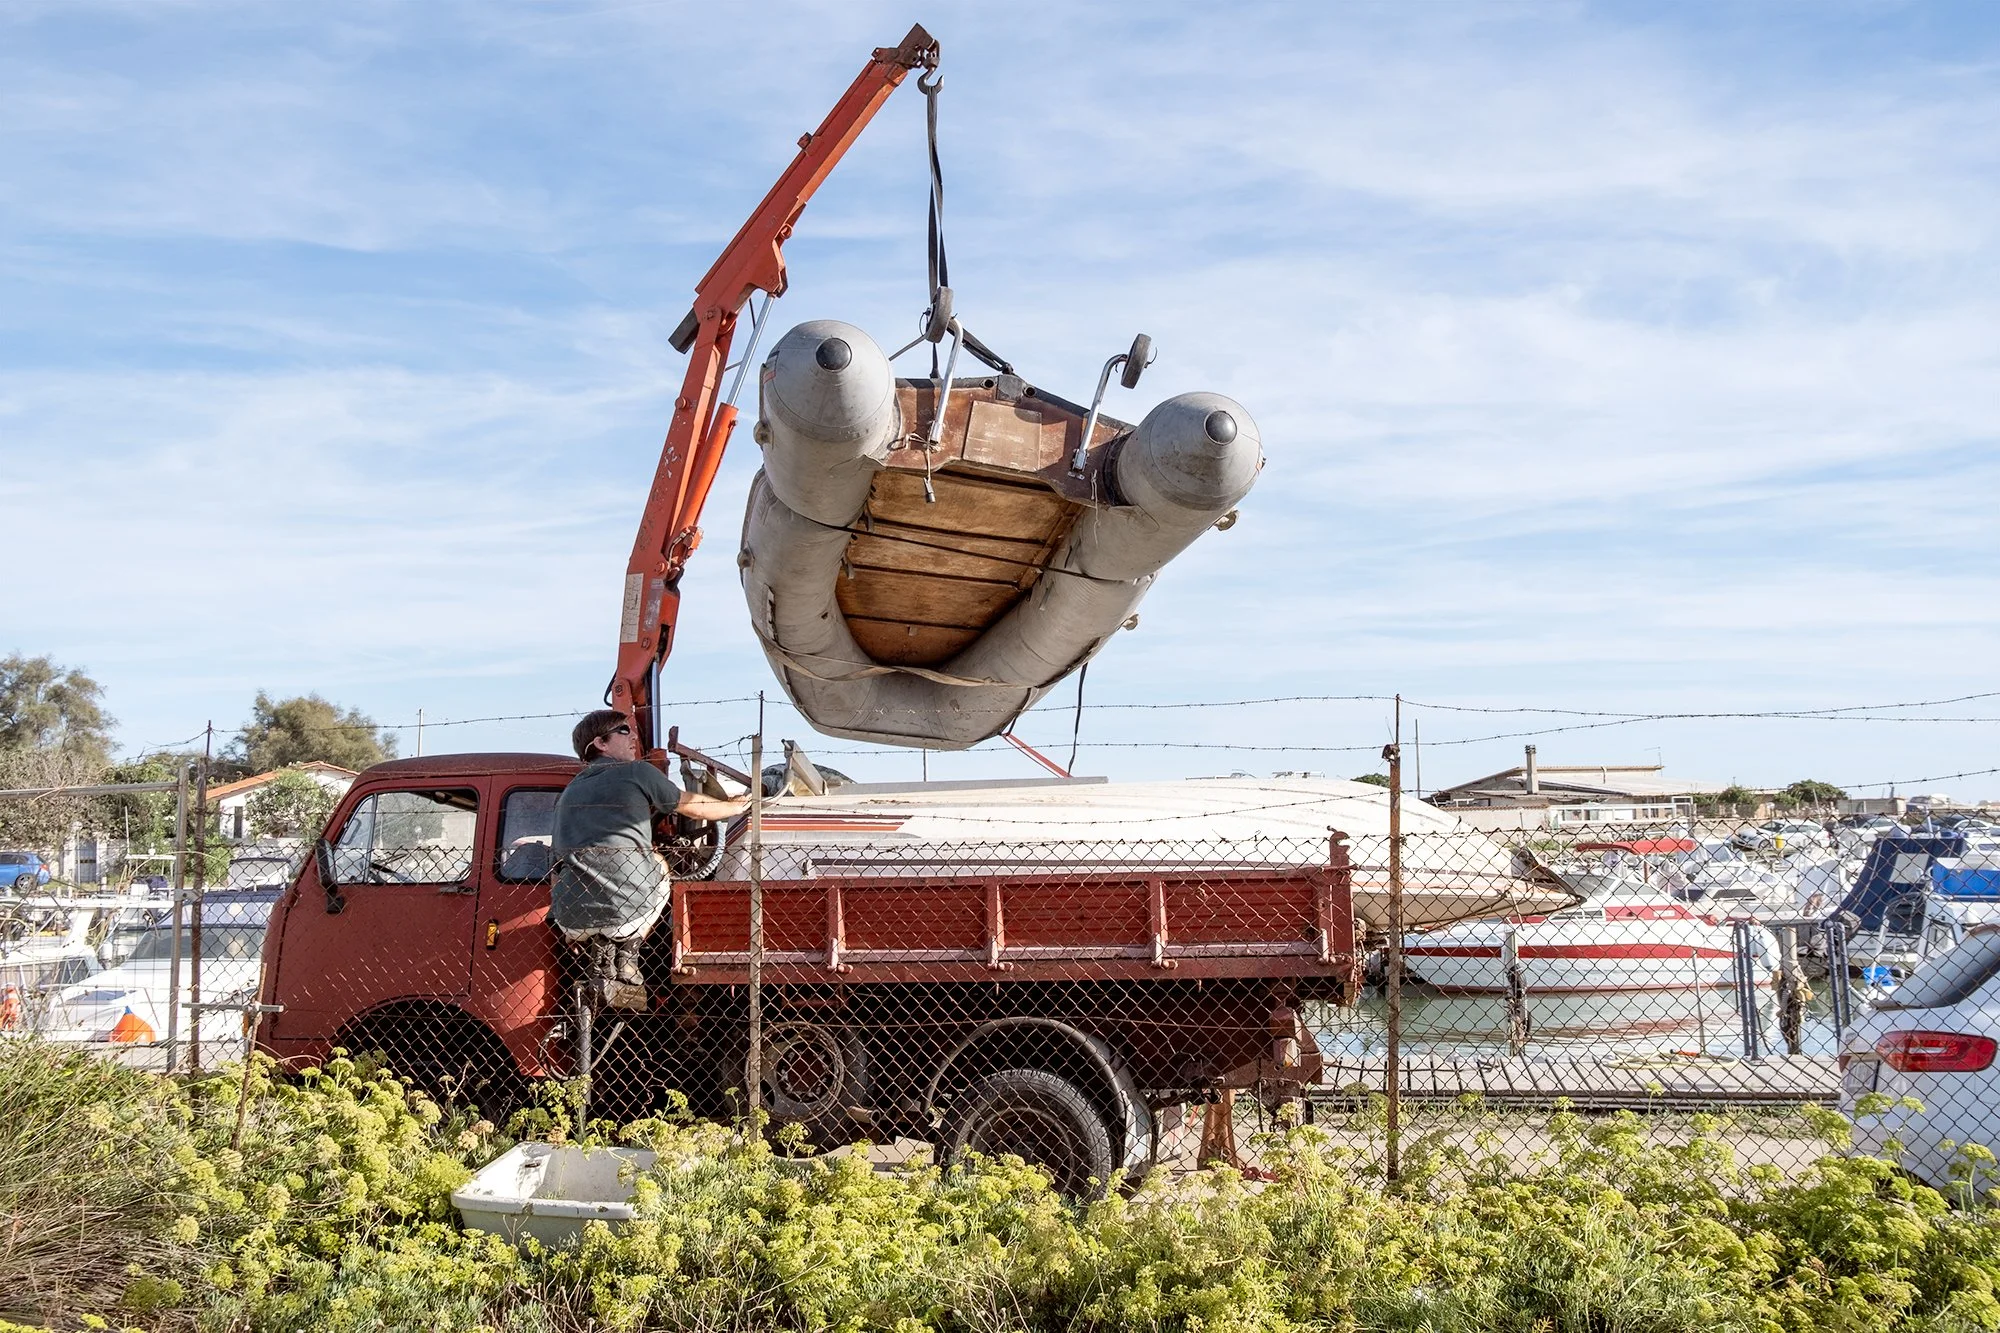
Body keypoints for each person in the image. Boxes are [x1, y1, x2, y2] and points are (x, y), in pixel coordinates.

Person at [553, 709, 748, 991]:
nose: (634, 736)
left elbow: (557, 864)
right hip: (627, 914)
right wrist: (736, 806)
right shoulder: (637, 771)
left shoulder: (568, 793)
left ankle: (603, 957)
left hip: (569, 919)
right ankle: (628, 955)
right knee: (658, 864)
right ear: (600, 744)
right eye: (624, 730)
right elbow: (691, 804)